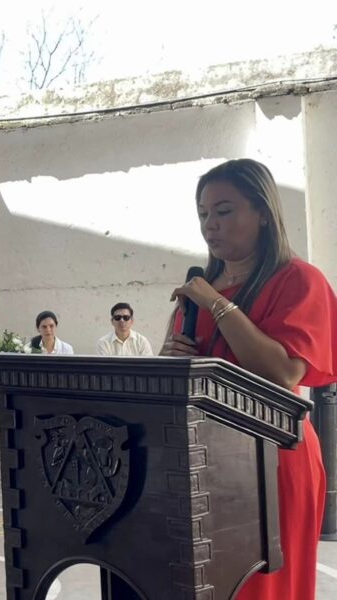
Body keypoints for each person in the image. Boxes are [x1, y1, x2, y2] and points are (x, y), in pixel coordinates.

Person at [161, 159, 336, 600]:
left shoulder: (300, 281)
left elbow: (282, 372)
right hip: (204, 460)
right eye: (203, 214)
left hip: (274, 459)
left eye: (223, 211)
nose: (210, 226)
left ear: (262, 212)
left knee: (268, 590)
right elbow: (183, 377)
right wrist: (170, 358)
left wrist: (216, 302)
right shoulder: (199, 291)